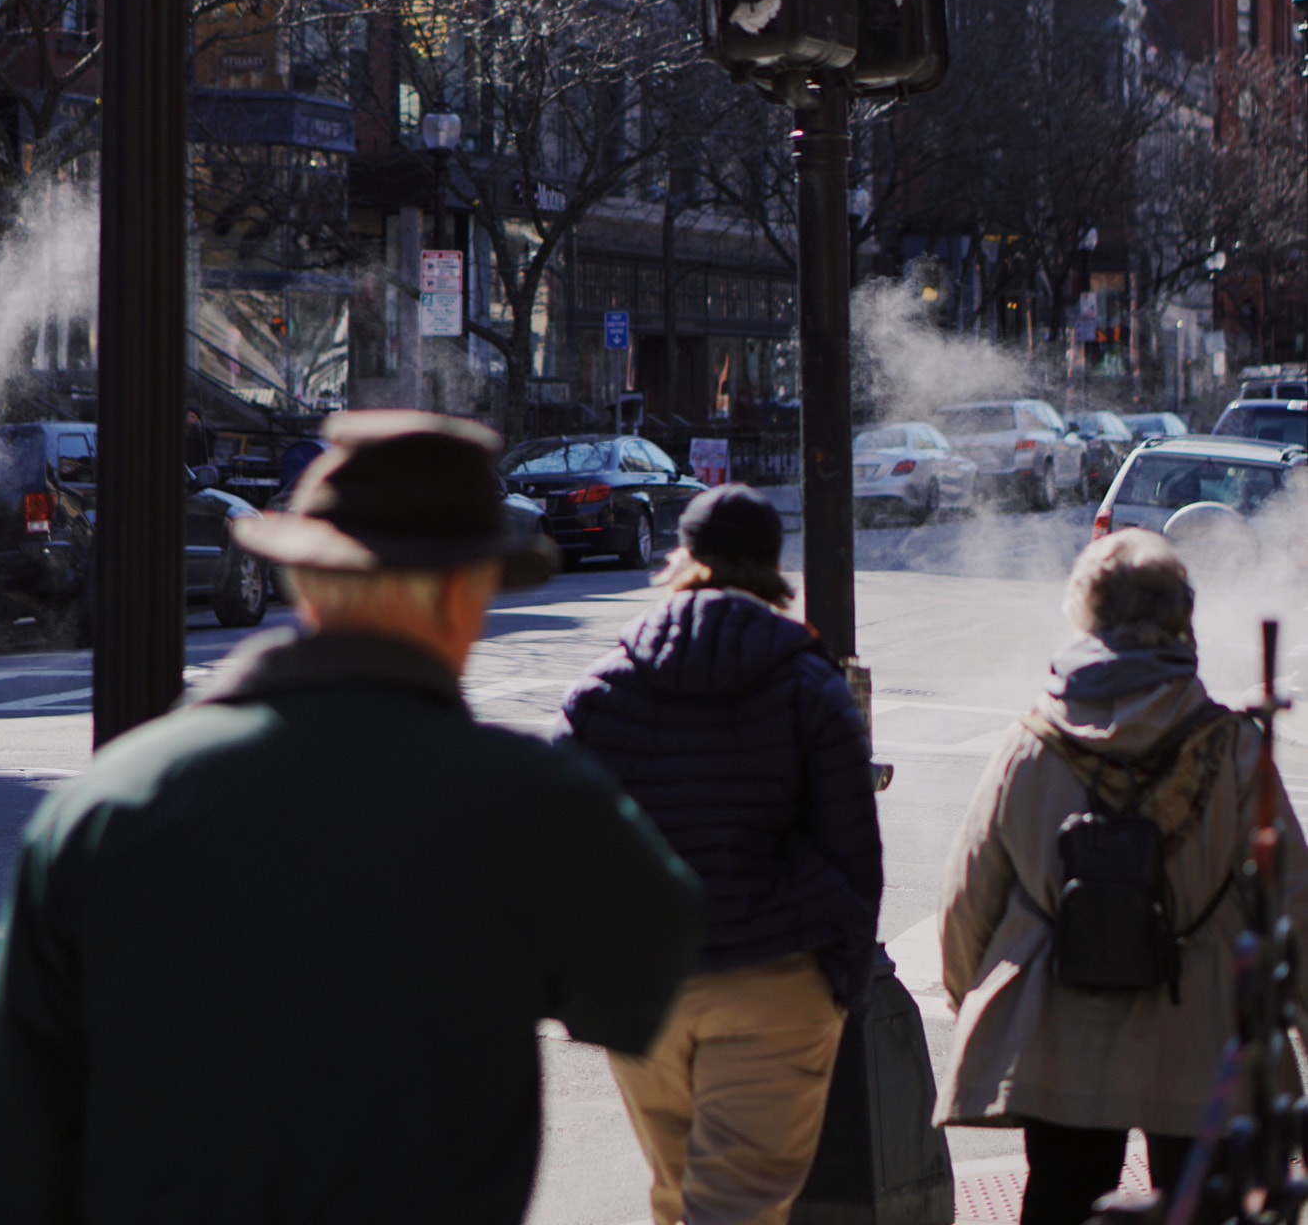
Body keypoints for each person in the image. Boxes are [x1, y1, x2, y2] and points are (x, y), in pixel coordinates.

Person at [0, 411, 704, 1225]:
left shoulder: (102, 807)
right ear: (466, 593)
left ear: (303, 583)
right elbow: (644, 981)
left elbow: (2, 1163)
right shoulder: (534, 804)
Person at [935, 528, 1308, 1225]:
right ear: (1180, 618)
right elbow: (1291, 900)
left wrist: (974, 1001)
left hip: (1057, 1027)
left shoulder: (1029, 744)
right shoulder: (1228, 745)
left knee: (1060, 1198)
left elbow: (968, 896)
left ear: (1086, 614)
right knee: (1202, 1205)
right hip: (1199, 1027)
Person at [557, 484, 882, 1225]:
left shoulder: (601, 689)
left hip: (643, 984)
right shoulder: (809, 688)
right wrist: (843, 982)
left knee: (679, 1201)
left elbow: (557, 848)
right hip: (774, 974)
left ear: (684, 557)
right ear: (771, 568)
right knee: (736, 1207)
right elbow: (854, 853)